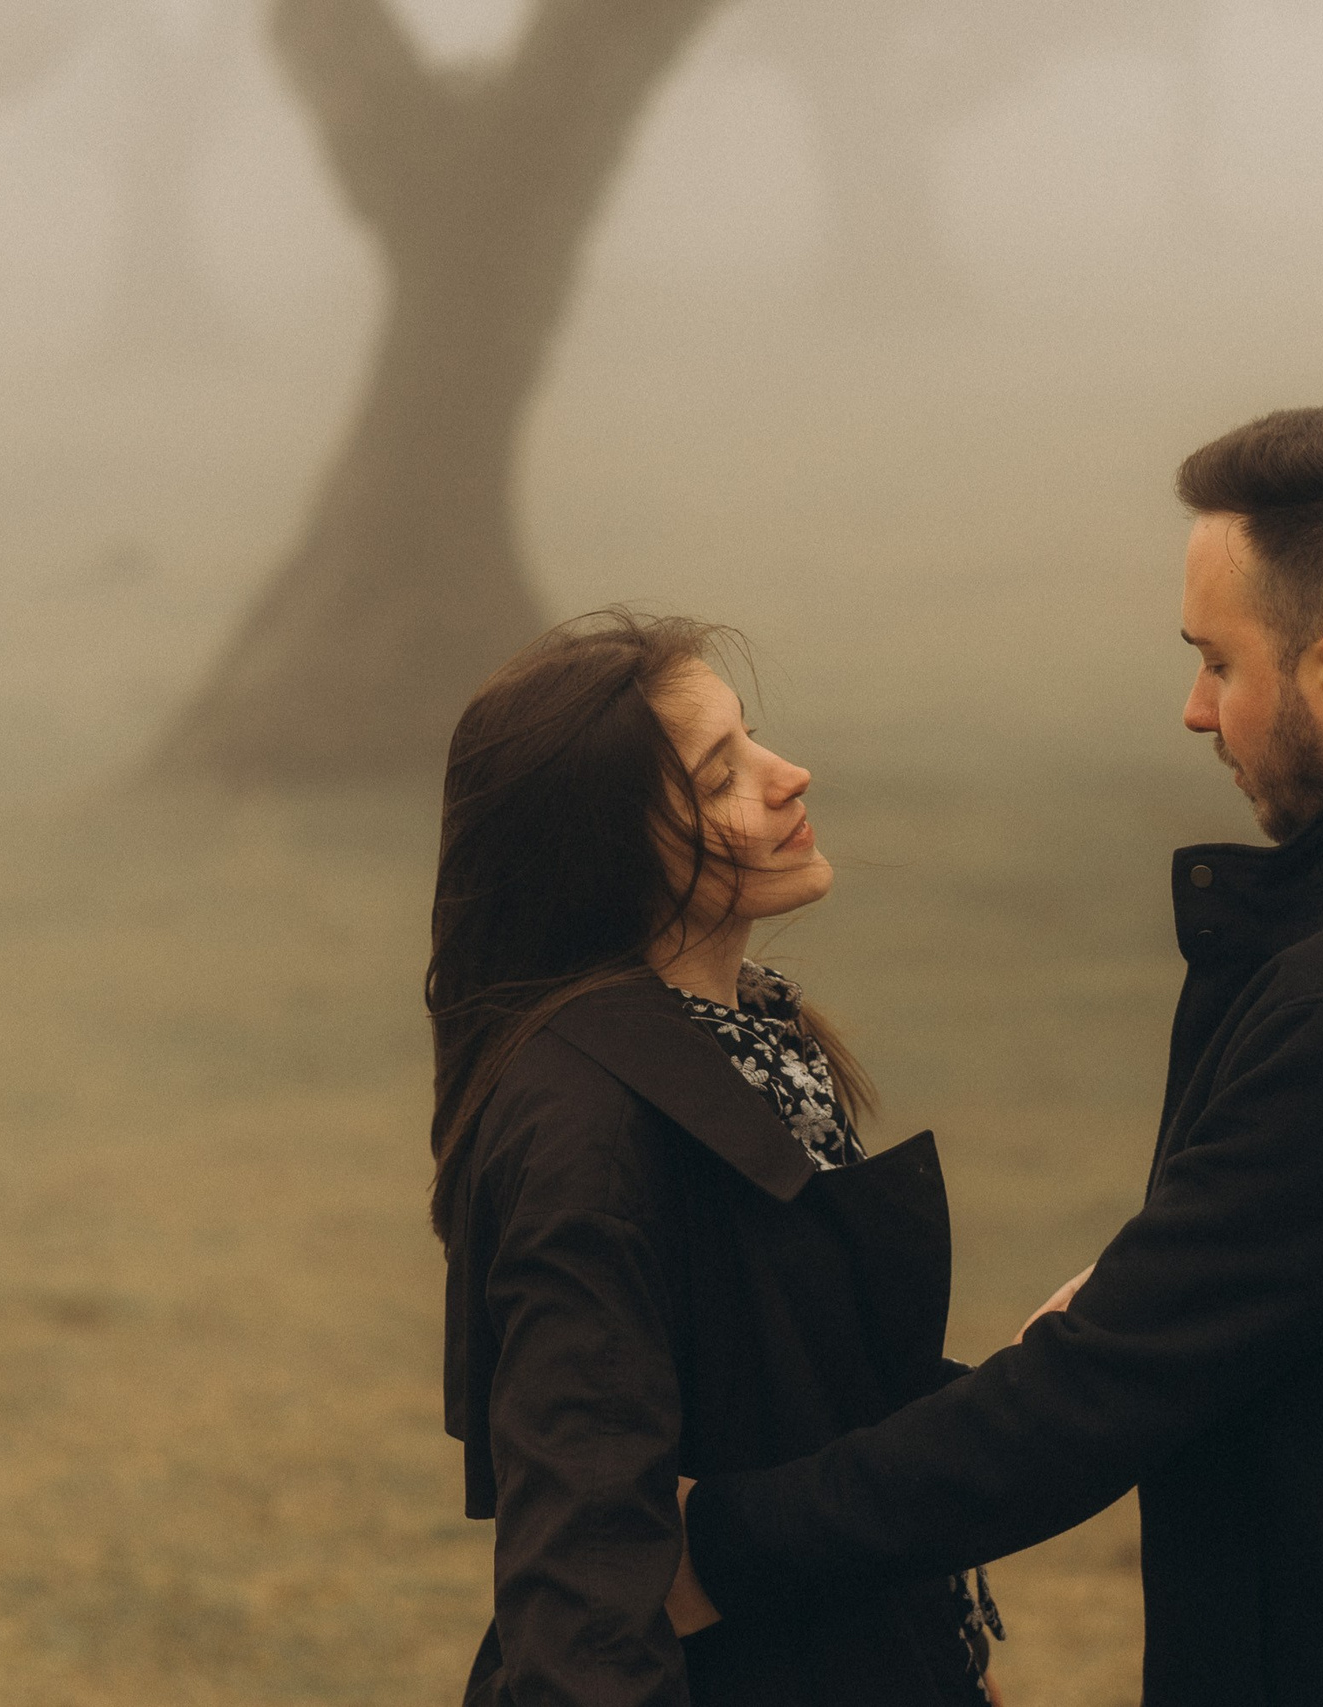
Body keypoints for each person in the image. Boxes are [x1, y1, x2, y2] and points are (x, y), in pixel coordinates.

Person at [677, 404, 1323, 1705]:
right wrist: (1187, 1270)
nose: (1194, 709)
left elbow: (1088, 1402)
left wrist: (718, 1545)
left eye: (1218, 663)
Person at [429, 612, 1002, 1707]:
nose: (789, 777)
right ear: (603, 852)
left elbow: (805, 1404)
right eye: (719, 776)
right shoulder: (583, 1125)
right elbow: (588, 1566)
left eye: (753, 738)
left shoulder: (751, 1041)